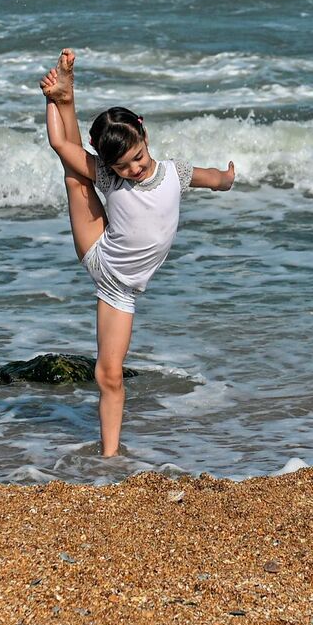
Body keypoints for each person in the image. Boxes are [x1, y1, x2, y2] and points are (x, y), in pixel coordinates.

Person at [37, 49, 234, 457]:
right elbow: (59, 143)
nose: (135, 169)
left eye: (138, 158)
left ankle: (109, 454)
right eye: (124, 165)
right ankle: (66, 96)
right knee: (76, 178)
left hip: (124, 290)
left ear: (145, 138)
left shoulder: (174, 173)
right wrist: (51, 101)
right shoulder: (110, 177)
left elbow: (210, 178)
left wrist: (226, 180)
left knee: (109, 373)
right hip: (101, 257)